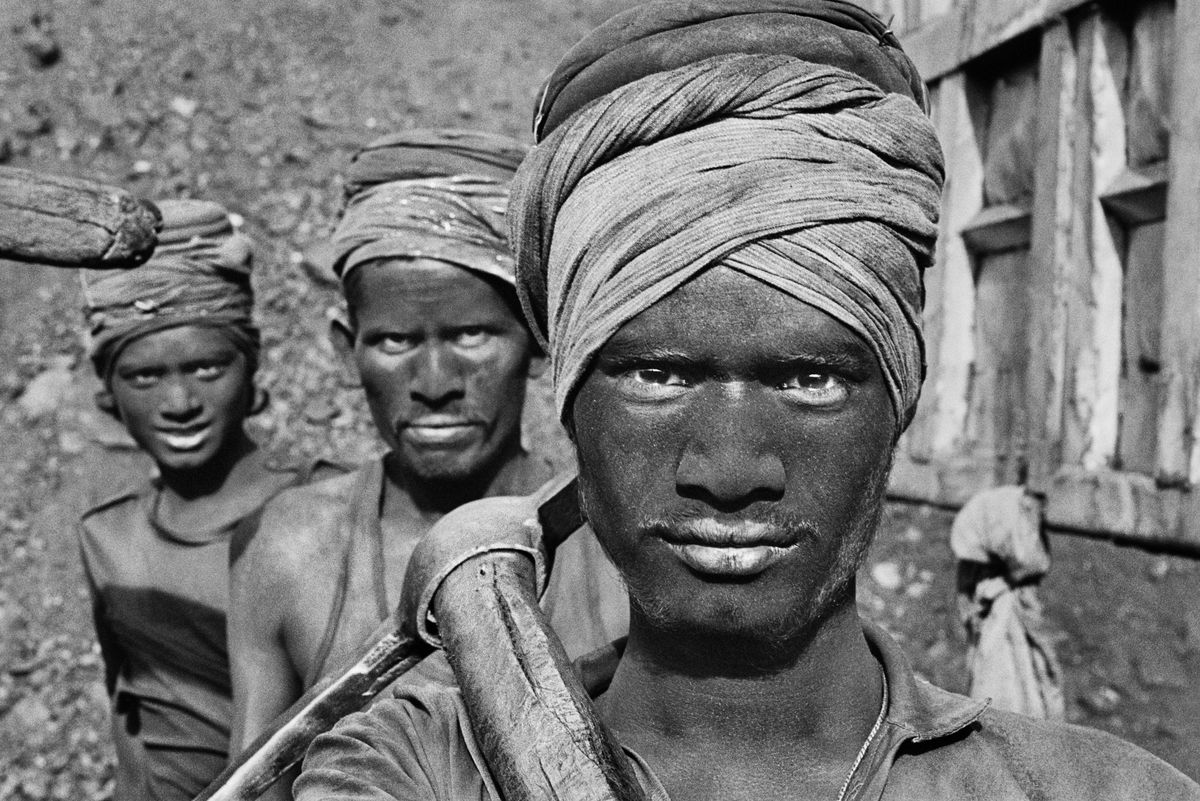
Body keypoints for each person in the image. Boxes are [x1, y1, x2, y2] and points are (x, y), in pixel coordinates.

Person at [293, 3, 1200, 800]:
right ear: (567, 398)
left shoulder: (1105, 789)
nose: (728, 470)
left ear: (902, 400)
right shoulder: (420, 766)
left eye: (811, 379)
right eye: (659, 374)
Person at [228, 129, 627, 795]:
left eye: (472, 335)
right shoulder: (291, 549)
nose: (435, 379)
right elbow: (255, 782)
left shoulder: (617, 549)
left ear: (535, 339)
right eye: (394, 340)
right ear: (344, 347)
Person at [77, 199, 338, 801]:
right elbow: (133, 719)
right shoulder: (108, 536)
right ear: (108, 393)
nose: (179, 403)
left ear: (250, 367)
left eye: (207, 367)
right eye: (144, 377)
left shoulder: (326, 507)